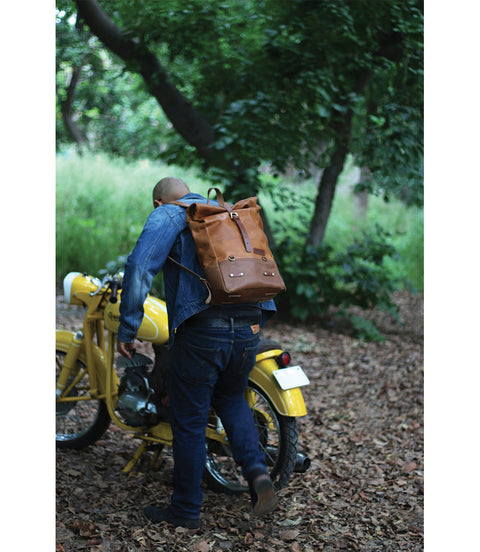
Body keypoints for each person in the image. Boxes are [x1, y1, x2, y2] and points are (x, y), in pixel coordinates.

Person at [117, 177, 278, 530]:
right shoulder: (228, 213)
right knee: (233, 398)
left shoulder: (170, 215)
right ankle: (256, 473)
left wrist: (128, 327)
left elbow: (140, 268)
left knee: (188, 421)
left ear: (158, 202)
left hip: (203, 331)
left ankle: (186, 510)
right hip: (249, 326)